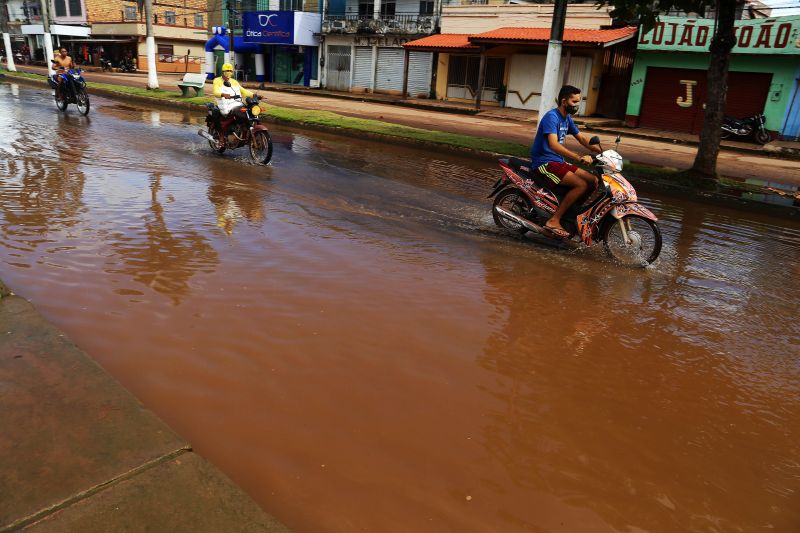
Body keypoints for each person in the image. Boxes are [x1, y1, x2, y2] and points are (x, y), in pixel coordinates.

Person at [530, 85, 602, 238]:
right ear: (564, 101)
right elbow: (553, 144)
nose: (577, 105)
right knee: (580, 184)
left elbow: (582, 138)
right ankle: (554, 220)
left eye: (578, 102)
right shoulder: (552, 117)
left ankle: (570, 213)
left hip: (558, 161)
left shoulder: (567, 119)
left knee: (593, 180)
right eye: (574, 102)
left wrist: (602, 152)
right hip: (544, 163)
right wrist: (578, 157)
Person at [212, 62, 256, 128]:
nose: (229, 72)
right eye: (227, 70)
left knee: (248, 111)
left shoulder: (234, 81)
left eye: (230, 71)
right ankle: (222, 134)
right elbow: (215, 92)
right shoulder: (217, 80)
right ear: (223, 71)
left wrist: (254, 95)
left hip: (236, 104)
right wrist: (223, 94)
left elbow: (243, 91)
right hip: (225, 105)